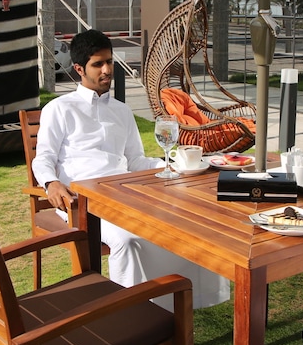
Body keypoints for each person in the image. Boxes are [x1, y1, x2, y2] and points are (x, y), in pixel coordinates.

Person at [31, 29, 230, 310]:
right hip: (82, 203)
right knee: (129, 240)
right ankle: (133, 312)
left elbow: (136, 161)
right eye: (98, 64)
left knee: (185, 225)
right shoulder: (59, 109)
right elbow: (43, 158)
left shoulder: (122, 111)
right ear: (79, 69)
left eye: (109, 61)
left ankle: (183, 302)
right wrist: (50, 183)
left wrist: (174, 166)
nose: (107, 70)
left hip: (126, 195)